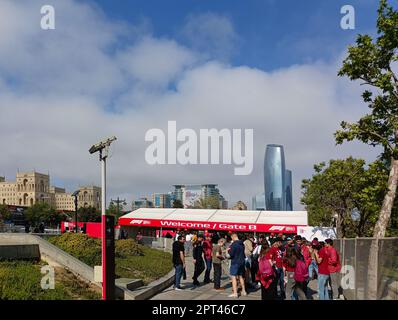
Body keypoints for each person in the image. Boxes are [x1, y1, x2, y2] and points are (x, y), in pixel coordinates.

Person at [228, 233, 247, 298]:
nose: (232, 239)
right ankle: (244, 291)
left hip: (235, 262)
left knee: (233, 277)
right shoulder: (242, 244)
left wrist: (228, 251)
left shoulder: (233, 244)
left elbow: (231, 255)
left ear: (234, 237)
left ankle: (235, 293)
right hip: (242, 262)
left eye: (232, 238)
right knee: (241, 276)